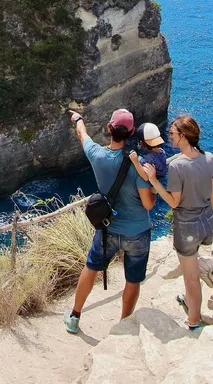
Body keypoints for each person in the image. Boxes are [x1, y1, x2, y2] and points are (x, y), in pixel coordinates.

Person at [63, 108, 156, 335]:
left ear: (108, 129)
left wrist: (78, 119)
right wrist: (152, 185)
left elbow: (82, 135)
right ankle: (124, 324)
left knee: (92, 267)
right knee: (132, 280)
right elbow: (148, 204)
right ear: (132, 132)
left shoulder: (97, 155)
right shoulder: (139, 164)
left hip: (108, 229)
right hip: (138, 232)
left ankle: (75, 316)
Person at [138, 115, 213, 331]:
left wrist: (153, 180)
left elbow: (174, 202)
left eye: (172, 133)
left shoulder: (178, 166)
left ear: (182, 136)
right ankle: (190, 299)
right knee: (192, 266)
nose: (169, 136)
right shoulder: (209, 158)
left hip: (188, 226)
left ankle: (194, 321)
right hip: (207, 222)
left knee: (190, 275)